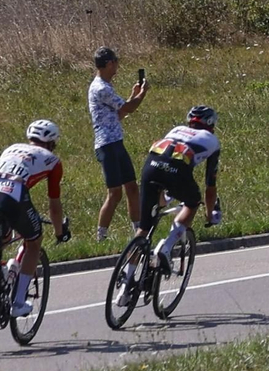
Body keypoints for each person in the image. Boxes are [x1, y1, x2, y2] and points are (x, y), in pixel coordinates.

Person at [0, 120, 70, 317]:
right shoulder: (52, 160)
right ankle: (18, 302)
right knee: (34, 241)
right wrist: (59, 231)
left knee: (1, 238)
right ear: (52, 143)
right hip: (12, 195)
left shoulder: (12, 148)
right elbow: (54, 204)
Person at [138, 106, 223, 275]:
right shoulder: (213, 141)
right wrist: (208, 212)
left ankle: (126, 280)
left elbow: (164, 159)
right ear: (211, 124)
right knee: (192, 201)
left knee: (143, 228)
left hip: (151, 167)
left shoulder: (176, 129)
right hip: (176, 171)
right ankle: (167, 247)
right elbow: (210, 186)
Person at [88, 46, 148, 242]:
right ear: (109, 64)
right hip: (107, 145)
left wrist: (133, 95)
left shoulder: (106, 86)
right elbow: (129, 109)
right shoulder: (101, 88)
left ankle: (138, 230)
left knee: (131, 187)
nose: (118, 67)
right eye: (116, 62)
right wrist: (142, 94)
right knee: (115, 193)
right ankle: (101, 236)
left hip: (116, 142)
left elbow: (120, 113)